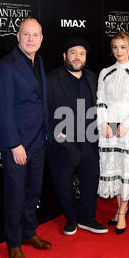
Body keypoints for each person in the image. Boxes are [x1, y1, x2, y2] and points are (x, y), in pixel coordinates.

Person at [0, 18, 51, 258]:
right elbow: (2, 108)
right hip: (17, 144)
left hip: (39, 140)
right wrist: (14, 144)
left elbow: (41, 102)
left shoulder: (38, 62)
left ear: (41, 38)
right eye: (26, 34)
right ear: (17, 36)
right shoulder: (5, 66)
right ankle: (14, 244)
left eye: (35, 35)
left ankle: (29, 231)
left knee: (33, 192)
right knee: (15, 195)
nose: (30, 39)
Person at [47, 37, 108, 236]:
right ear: (65, 56)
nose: (77, 57)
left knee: (90, 181)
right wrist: (56, 132)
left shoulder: (93, 77)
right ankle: (71, 218)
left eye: (81, 53)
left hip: (89, 139)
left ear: (85, 57)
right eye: (73, 53)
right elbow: (42, 111)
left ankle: (87, 218)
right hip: (64, 140)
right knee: (63, 183)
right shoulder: (51, 79)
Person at [97, 31, 129, 234]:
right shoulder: (105, 72)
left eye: (123, 47)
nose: (119, 51)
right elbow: (100, 100)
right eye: (115, 47)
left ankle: (121, 214)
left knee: (126, 171)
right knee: (116, 170)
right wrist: (103, 123)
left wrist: (127, 124)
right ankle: (121, 208)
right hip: (109, 129)